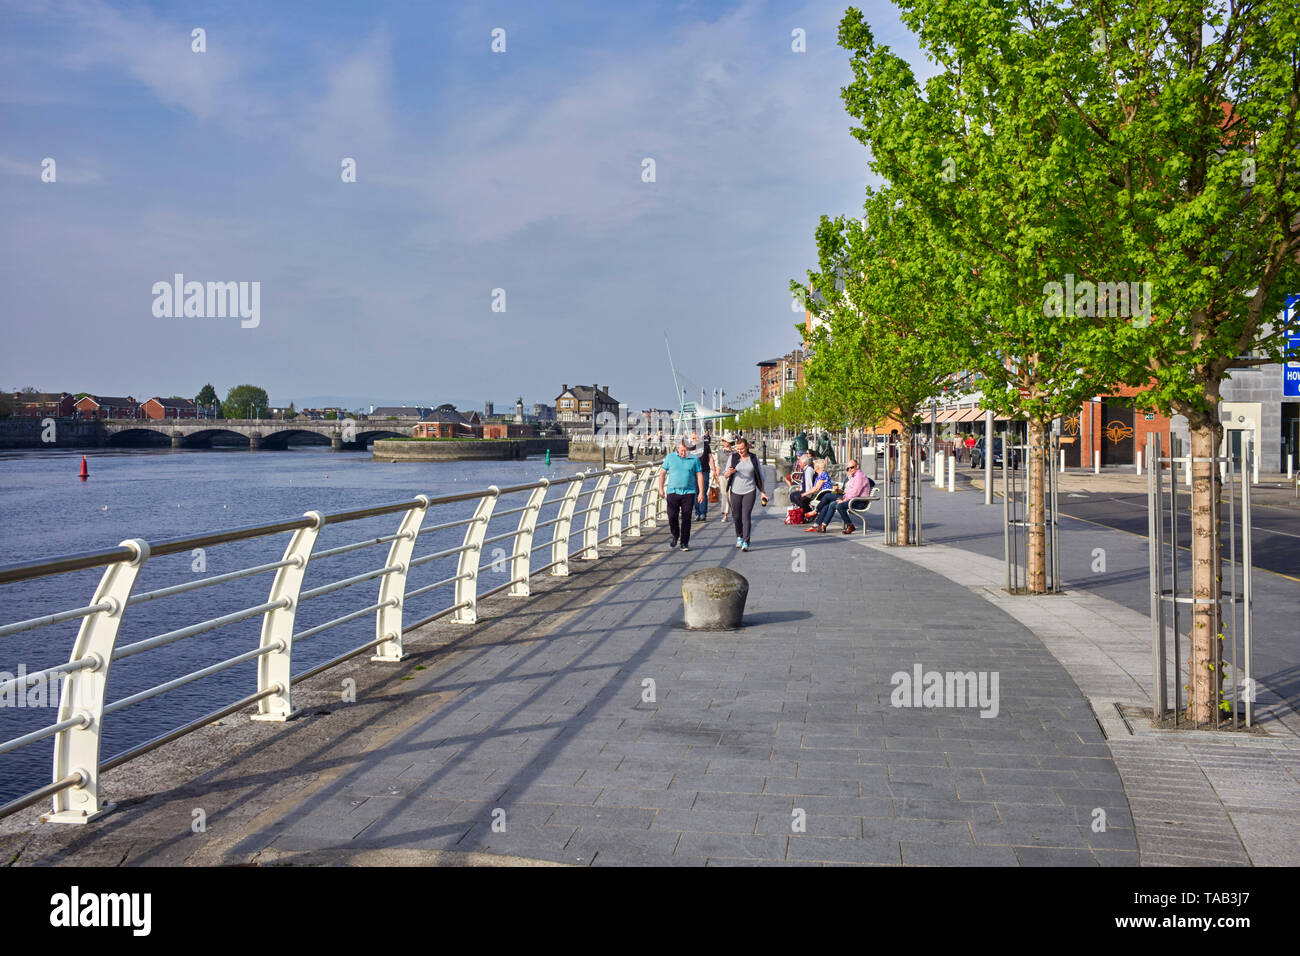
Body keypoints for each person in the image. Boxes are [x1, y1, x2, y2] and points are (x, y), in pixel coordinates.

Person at [658, 438, 705, 551]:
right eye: (681, 450)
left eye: (686, 450)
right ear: (677, 449)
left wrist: (701, 492)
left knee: (686, 517)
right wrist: (660, 488)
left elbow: (699, 475)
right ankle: (675, 534)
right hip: (672, 491)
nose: (683, 453)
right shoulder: (670, 457)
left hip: (689, 492)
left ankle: (684, 543)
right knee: (672, 516)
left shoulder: (694, 459)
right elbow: (662, 473)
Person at [723, 437, 768, 552]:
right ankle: (739, 536)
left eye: (742, 448)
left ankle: (746, 542)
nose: (740, 451)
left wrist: (763, 492)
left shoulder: (753, 458)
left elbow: (760, 476)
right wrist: (730, 472)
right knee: (736, 516)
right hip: (735, 490)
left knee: (746, 515)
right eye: (738, 449)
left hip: (750, 490)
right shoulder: (733, 457)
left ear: (746, 447)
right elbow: (725, 475)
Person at [809, 459, 874, 533]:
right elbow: (850, 492)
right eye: (848, 468)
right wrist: (843, 496)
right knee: (832, 504)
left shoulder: (859, 477)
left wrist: (843, 500)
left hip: (859, 501)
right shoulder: (854, 476)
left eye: (852, 467)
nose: (850, 469)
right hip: (853, 499)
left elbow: (855, 493)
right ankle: (823, 525)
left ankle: (850, 525)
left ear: (857, 466)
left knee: (838, 504)